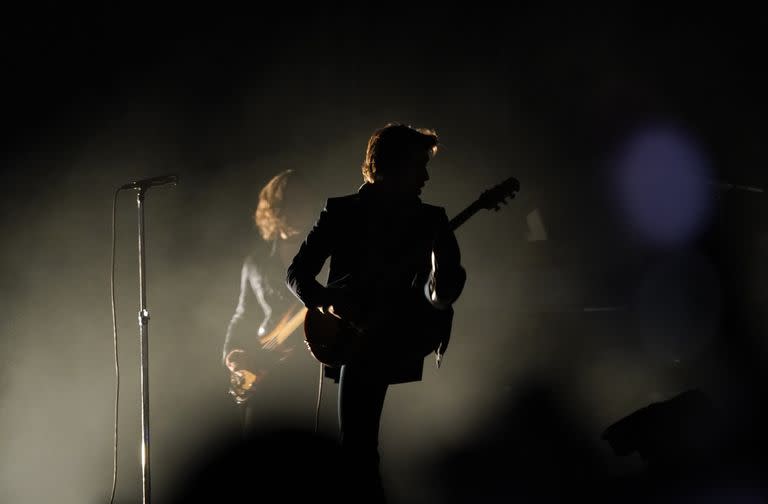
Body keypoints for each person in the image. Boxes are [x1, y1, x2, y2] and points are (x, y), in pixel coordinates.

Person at [286, 123, 467, 501]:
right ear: (390, 166)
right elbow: (298, 273)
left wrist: (442, 289)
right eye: (418, 165)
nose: (426, 176)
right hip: (358, 339)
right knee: (358, 447)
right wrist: (331, 303)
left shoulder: (431, 220)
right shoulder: (342, 211)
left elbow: (437, 291)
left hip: (405, 335)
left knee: (370, 446)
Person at [222, 169, 320, 432]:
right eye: (291, 202)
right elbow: (243, 314)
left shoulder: (324, 255)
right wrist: (233, 354)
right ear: (276, 209)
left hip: (313, 371)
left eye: (304, 201)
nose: (300, 209)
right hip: (268, 373)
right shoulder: (255, 263)